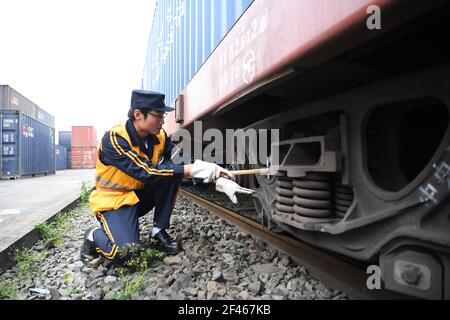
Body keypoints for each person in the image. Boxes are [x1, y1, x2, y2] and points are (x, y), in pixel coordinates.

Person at [81, 90, 253, 264]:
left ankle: (157, 231)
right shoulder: (114, 139)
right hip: (113, 202)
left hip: (138, 197)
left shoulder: (159, 136)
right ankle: (93, 235)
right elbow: (145, 171)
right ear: (138, 114)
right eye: (158, 116)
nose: (163, 121)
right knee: (127, 254)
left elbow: (180, 160)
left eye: (163, 115)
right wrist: (191, 169)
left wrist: (217, 178)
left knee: (173, 171)